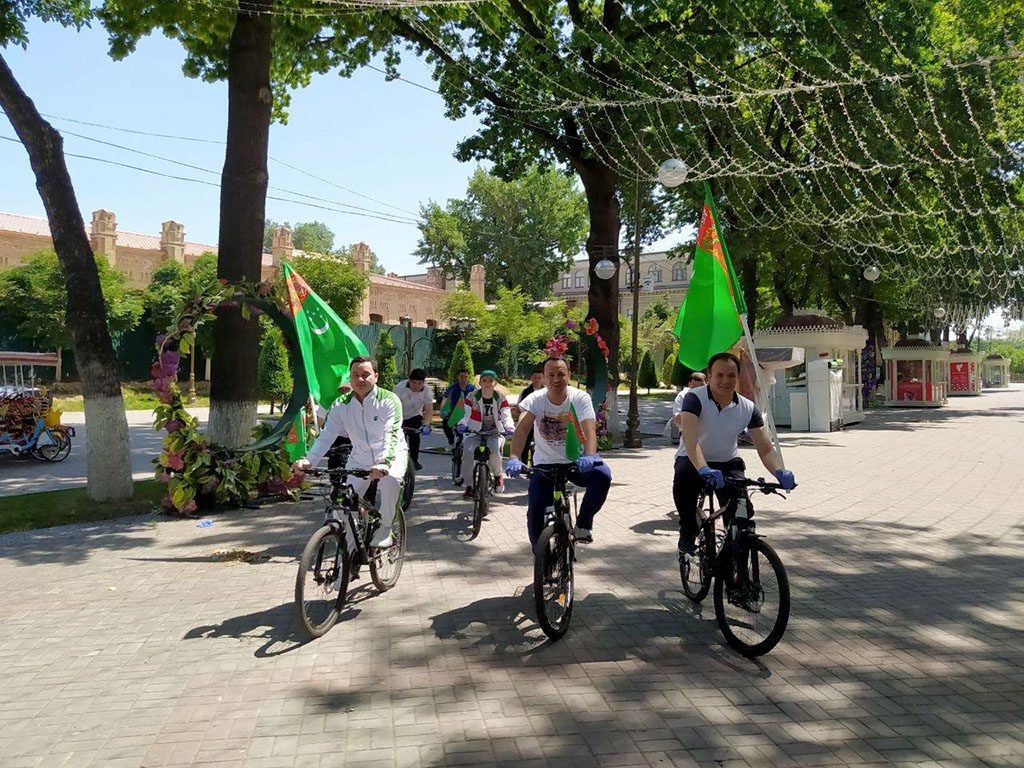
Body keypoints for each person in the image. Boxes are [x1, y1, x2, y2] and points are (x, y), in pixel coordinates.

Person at [674, 352, 796, 558]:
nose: (725, 381)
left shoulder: (748, 408)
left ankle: (735, 568)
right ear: (709, 376)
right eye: (719, 375)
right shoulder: (694, 399)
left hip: (727, 462)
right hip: (693, 460)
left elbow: (765, 449)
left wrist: (779, 472)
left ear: (737, 378)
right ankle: (688, 529)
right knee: (684, 481)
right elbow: (690, 440)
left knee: (741, 514)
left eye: (731, 376)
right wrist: (703, 469)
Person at [293, 357, 407, 548]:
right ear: (350, 377)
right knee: (343, 506)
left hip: (391, 456)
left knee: (391, 481)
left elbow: (391, 434)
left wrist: (384, 462)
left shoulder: (389, 400)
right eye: (355, 375)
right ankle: (349, 554)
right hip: (359, 458)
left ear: (376, 377)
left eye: (365, 375)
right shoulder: (340, 404)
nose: (360, 379)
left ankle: (386, 526)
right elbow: (327, 435)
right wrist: (308, 461)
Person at [507, 355, 612, 547]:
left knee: (602, 475)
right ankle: (542, 562)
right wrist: (514, 457)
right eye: (551, 375)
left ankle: (583, 524)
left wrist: (589, 455)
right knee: (535, 514)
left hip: (576, 462)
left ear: (569, 375)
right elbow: (522, 430)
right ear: (544, 377)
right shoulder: (535, 399)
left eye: (561, 374)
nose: (556, 379)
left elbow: (589, 428)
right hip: (544, 465)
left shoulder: (579, 398)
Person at [456, 370, 515, 497]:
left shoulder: (500, 398)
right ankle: (469, 486)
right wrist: (462, 424)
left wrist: (509, 427)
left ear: (495, 383)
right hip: (474, 431)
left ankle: (498, 476)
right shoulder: (471, 396)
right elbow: (465, 414)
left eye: (490, 380)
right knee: (467, 451)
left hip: (494, 431)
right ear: (480, 382)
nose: (487, 383)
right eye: (484, 380)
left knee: (494, 450)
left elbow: (506, 415)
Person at [394, 368, 433, 470]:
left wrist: (426, 425)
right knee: (398, 440)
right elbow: (392, 407)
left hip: (415, 415)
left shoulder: (427, 390)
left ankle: (414, 460)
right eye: (414, 383)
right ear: (409, 381)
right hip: (399, 416)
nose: (417, 386)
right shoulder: (399, 388)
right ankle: (396, 460)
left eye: (420, 383)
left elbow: (429, 410)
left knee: (415, 438)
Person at [440, 368, 477, 451]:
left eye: (465, 377)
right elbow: (445, 399)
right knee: (446, 424)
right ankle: (451, 443)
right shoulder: (452, 388)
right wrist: (443, 410)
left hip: (468, 414)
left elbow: (477, 401)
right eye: (461, 376)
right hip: (454, 413)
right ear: (458, 377)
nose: (463, 379)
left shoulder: (473, 389)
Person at [516, 366, 545, 465]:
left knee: (541, 445)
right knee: (525, 443)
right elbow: (520, 405)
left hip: (543, 423)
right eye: (535, 377)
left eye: (539, 377)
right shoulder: (525, 392)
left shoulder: (548, 391)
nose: (537, 380)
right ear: (531, 378)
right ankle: (523, 464)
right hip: (528, 422)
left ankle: (537, 465)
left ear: (543, 378)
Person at [665, 371, 707, 438]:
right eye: (695, 388)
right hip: (688, 434)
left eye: (700, 388)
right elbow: (677, 417)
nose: (697, 391)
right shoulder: (683, 395)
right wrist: (688, 432)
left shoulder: (712, 396)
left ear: (706, 384)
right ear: (689, 384)